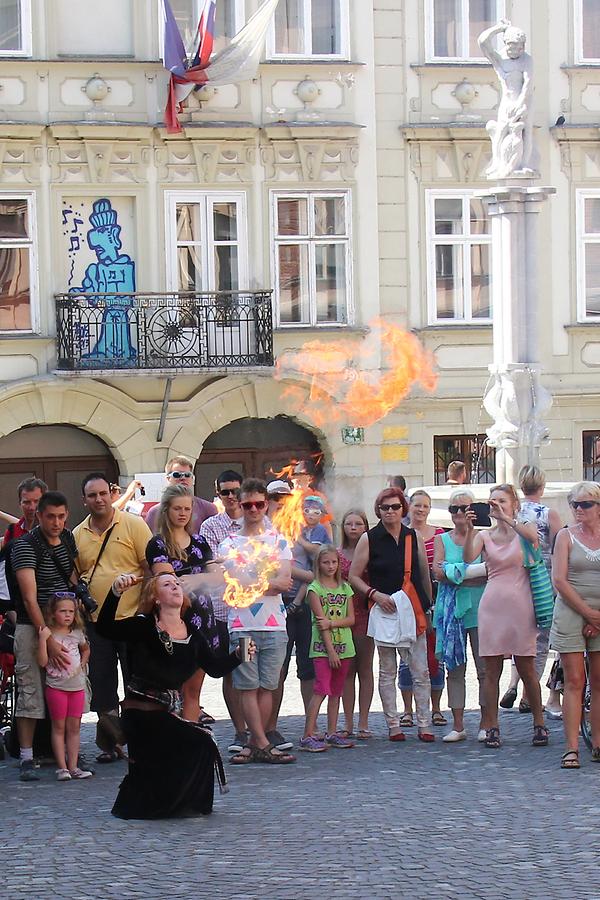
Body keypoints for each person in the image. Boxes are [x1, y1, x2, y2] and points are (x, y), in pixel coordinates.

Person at [96, 572, 247, 818]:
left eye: (177, 583)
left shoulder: (193, 634)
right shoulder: (144, 625)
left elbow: (215, 669)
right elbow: (104, 628)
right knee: (186, 740)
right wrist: (115, 592)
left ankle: (187, 803)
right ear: (156, 598)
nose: (175, 586)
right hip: (140, 714)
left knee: (202, 742)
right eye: (167, 584)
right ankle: (159, 805)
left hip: (166, 714)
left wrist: (238, 655)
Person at [73, 473, 151, 763]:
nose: (99, 499)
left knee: (136, 681)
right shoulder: (78, 534)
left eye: (103, 493)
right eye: (92, 495)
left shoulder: (133, 525)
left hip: (132, 619)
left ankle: (140, 740)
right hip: (97, 623)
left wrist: (145, 607)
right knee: (102, 683)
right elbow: (74, 573)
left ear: (111, 493)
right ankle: (109, 744)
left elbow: (151, 567)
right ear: (85, 500)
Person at [464, 484, 548, 749]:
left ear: (514, 504)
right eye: (493, 501)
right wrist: (468, 530)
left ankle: (539, 722)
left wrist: (507, 519)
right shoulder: (485, 536)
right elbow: (468, 557)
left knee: (526, 667)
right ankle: (492, 725)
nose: (496, 505)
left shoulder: (522, 529)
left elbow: (534, 538)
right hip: (492, 606)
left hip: (521, 606)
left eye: (502, 500)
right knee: (491, 671)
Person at [219, 478, 295, 764]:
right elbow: (235, 580)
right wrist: (266, 581)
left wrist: (253, 581)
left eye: (259, 504)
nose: (253, 509)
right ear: (239, 505)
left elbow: (285, 582)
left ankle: (253, 743)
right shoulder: (229, 543)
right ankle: (263, 743)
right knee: (247, 685)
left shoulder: (278, 540)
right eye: (247, 504)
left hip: (274, 623)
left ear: (266, 505)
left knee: (268, 685)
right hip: (242, 625)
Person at [349, 487, 435, 742]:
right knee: (387, 670)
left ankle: (424, 723)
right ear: (378, 510)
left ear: (402, 509)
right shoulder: (369, 538)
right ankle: (393, 724)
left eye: (395, 507)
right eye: (385, 507)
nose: (390, 512)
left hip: (413, 608)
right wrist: (374, 594)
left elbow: (423, 573)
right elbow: (354, 576)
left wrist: (428, 607)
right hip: (384, 608)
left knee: (420, 670)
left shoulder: (413, 536)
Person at [11, 491, 78, 781]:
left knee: (68, 689)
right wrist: (47, 638)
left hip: (65, 624)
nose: (56, 522)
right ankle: (26, 756)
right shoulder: (23, 546)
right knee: (30, 692)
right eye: (50, 516)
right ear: (38, 516)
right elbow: (29, 598)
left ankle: (65, 755)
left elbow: (72, 578)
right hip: (32, 624)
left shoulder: (68, 539)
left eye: (61, 516)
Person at [146, 484, 219, 723]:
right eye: (177, 508)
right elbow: (167, 580)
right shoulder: (157, 544)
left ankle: (192, 735)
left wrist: (198, 578)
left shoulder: (200, 543)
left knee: (194, 690)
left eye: (187, 509)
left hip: (203, 619)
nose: (183, 513)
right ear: (166, 510)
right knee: (171, 689)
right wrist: (191, 580)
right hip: (175, 621)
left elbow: (217, 576)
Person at [265, 494, 329, 750]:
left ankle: (310, 727)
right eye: (277, 504)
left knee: (308, 666)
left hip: (306, 603)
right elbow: (275, 568)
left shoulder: (312, 532)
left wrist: (303, 575)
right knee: (277, 669)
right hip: (278, 604)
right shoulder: (271, 533)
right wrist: (300, 573)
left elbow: (322, 567)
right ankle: (270, 726)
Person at [500, 465, 563, 716]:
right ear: (543, 485)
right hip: (543, 582)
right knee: (541, 640)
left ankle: (514, 683)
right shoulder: (548, 514)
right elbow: (560, 548)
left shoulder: (514, 513)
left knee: (521, 636)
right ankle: (530, 694)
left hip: (516, 580)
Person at [550, 481, 600, 770]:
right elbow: (559, 580)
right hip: (571, 610)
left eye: (585, 504)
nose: (579, 509)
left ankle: (597, 741)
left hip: (599, 613)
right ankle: (571, 748)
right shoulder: (565, 537)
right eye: (575, 504)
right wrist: (588, 614)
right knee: (574, 681)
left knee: (599, 680)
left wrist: (597, 617)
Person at [432, 490, 489, 742]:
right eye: (453, 509)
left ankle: (487, 723)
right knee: (454, 668)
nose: (458, 513)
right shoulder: (442, 539)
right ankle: (458, 724)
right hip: (451, 613)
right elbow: (437, 573)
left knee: (485, 669)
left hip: (481, 608)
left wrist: (454, 572)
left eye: (463, 508)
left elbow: (489, 572)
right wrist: (468, 573)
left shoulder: (484, 537)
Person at [200, 470, 248, 752]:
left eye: (234, 491)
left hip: (252, 610)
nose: (230, 497)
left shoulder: (258, 522)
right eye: (224, 492)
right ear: (217, 495)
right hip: (222, 610)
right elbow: (211, 566)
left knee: (258, 670)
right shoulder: (210, 526)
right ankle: (240, 730)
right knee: (231, 670)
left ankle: (264, 729)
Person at [300, 545, 355, 751]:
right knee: (321, 689)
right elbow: (320, 623)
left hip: (345, 646)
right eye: (326, 562)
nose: (331, 566)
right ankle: (308, 734)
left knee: (336, 690)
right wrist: (330, 650)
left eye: (334, 562)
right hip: (323, 648)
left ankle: (332, 732)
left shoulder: (345, 588)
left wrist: (333, 624)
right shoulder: (314, 589)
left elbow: (350, 618)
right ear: (318, 564)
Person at [400, 491, 446, 727]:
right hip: (408, 597)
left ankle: (436, 707)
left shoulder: (439, 533)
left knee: (435, 652)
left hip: (436, 597)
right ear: (409, 506)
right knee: (406, 654)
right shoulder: (401, 533)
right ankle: (407, 710)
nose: (420, 509)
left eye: (425, 506)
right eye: (417, 505)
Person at [37, 592, 92, 781]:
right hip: (56, 687)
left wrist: (82, 665)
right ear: (53, 613)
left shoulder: (77, 633)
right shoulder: (49, 634)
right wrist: (43, 640)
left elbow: (86, 649)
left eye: (71, 611)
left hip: (77, 687)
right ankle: (62, 767)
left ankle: (74, 766)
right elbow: (43, 662)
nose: (67, 615)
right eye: (63, 611)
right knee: (58, 727)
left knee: (74, 727)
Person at [478, 19, 538, 179]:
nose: (518, 50)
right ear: (506, 44)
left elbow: (528, 84)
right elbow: (483, 41)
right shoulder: (500, 58)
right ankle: (498, 163)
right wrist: (500, 28)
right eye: (514, 47)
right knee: (500, 131)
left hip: (524, 101)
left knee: (526, 132)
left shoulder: (526, 60)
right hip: (507, 101)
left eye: (521, 47)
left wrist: (521, 104)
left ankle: (524, 164)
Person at [340, 509, 374, 739]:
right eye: (348, 523)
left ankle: (364, 721)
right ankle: (348, 722)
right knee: (346, 670)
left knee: (365, 668)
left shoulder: (373, 552)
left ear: (365, 527)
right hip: (341, 615)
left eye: (358, 524)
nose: (353, 527)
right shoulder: (336, 553)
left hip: (365, 611)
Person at [144, 456, 217, 534]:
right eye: (177, 475)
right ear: (168, 479)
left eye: (187, 475)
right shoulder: (155, 512)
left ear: (193, 479)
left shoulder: (208, 509)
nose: (183, 478)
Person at [2, 477, 48, 546]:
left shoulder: (56, 531)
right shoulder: (12, 531)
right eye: (27, 502)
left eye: (36, 501)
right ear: (20, 504)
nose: (32, 507)